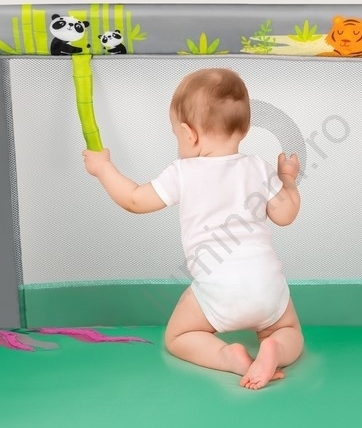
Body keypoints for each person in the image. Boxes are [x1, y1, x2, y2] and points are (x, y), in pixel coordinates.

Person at [83, 67, 304, 389]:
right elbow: (285, 215)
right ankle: (274, 347)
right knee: (289, 332)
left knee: (179, 335)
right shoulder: (258, 166)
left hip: (219, 289)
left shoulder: (183, 172)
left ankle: (228, 357)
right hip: (267, 286)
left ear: (189, 135)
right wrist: (287, 179)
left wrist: (103, 168)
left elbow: (134, 200)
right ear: (243, 129)